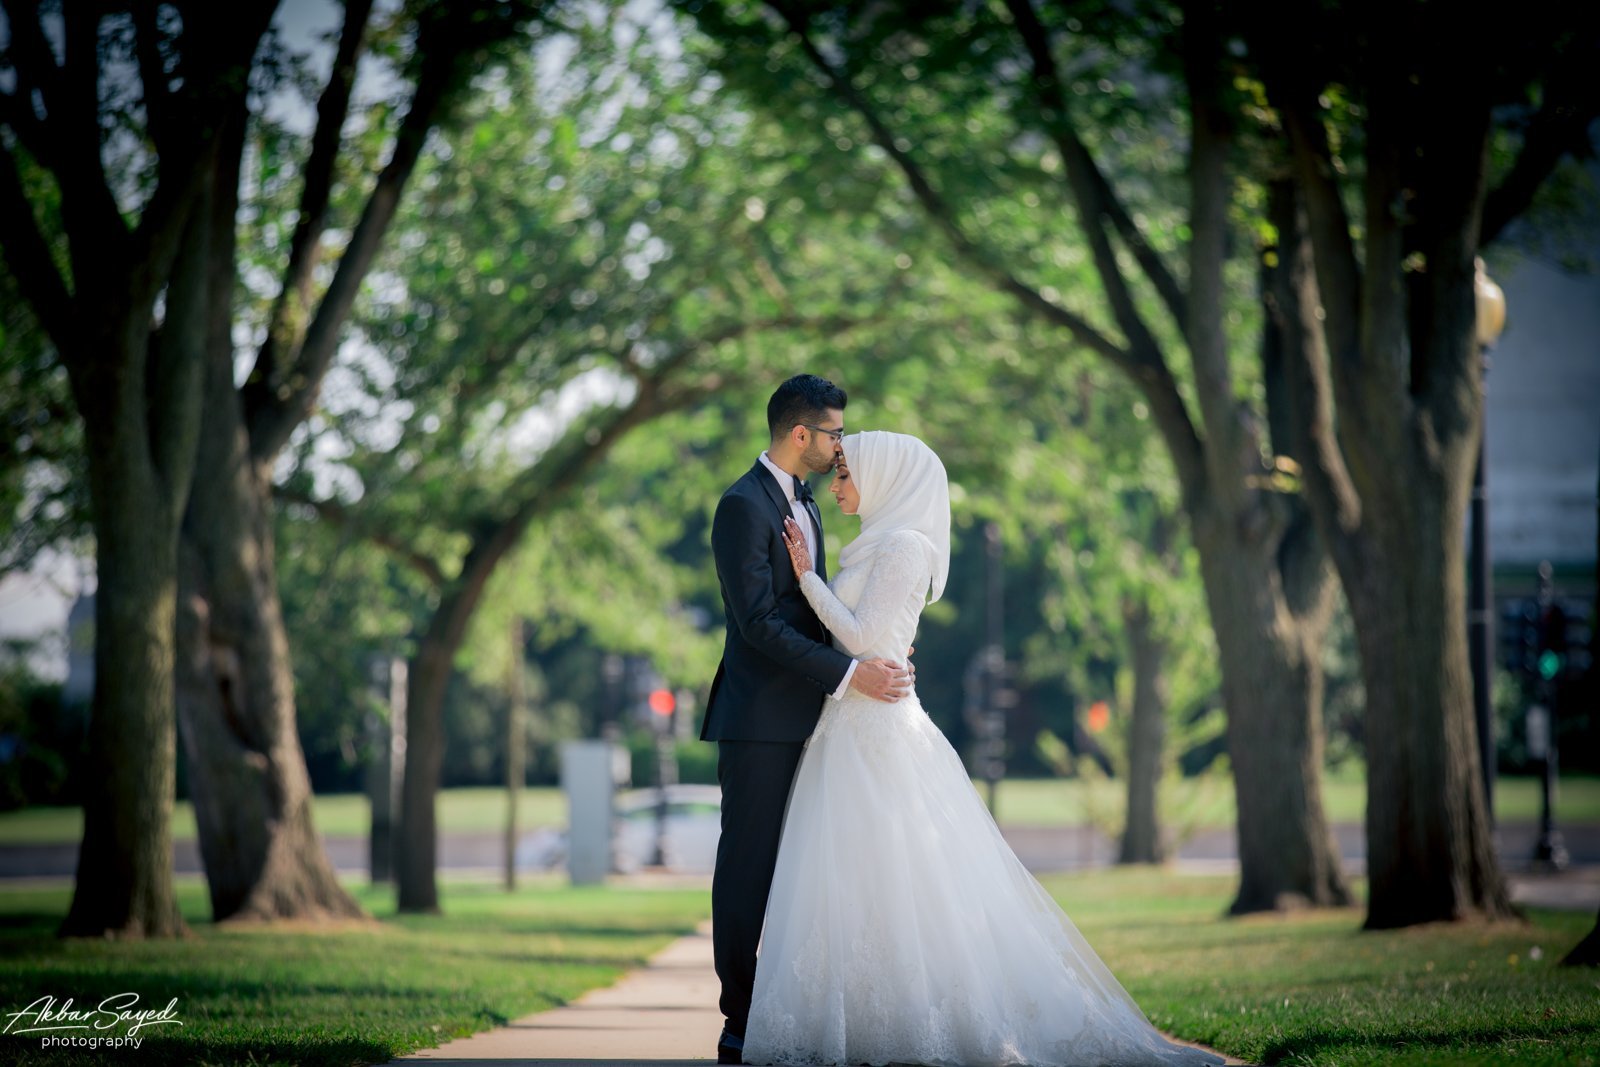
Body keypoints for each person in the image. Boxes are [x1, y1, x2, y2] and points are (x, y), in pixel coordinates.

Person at [742, 430, 1223, 1067]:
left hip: (879, 730)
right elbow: (871, 638)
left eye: (845, 475)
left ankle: (929, 1020)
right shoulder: (874, 542)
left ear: (885, 478)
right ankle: (859, 1021)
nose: (836, 487)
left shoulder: (907, 547)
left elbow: (862, 636)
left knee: (907, 876)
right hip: (847, 727)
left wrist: (805, 576)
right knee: (855, 880)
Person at [702, 376, 914, 1066]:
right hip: (760, 721)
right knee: (749, 868)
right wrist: (853, 675)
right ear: (802, 435)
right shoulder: (742, 505)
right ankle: (740, 1015)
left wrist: (879, 652)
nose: (839, 446)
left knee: (811, 870)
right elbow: (759, 623)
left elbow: (825, 613)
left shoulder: (808, 501)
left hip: (821, 719)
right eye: (834, 434)